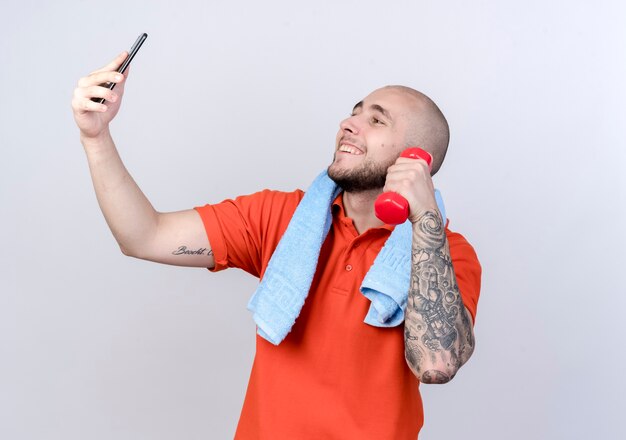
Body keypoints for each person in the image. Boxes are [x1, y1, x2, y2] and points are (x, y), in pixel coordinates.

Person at [72, 51, 481, 439]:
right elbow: (145, 236)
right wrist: (96, 137)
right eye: (354, 112)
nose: (349, 123)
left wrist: (424, 218)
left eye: (377, 120)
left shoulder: (448, 255)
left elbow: (435, 365)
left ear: (417, 158)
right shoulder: (281, 218)